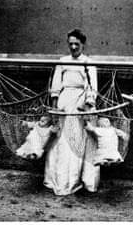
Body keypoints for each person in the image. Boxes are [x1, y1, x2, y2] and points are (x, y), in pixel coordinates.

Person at [44, 29, 100, 195]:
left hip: (80, 103)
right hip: (64, 101)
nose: (74, 47)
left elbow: (92, 88)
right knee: (60, 140)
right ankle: (58, 180)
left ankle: (75, 180)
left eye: (77, 44)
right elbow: (55, 86)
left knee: (77, 140)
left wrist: (87, 106)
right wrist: (54, 107)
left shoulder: (89, 62)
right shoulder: (62, 61)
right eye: (71, 44)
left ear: (83, 44)